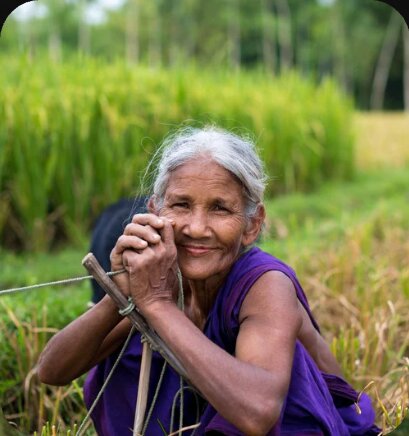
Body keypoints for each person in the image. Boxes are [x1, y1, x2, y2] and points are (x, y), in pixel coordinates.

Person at [37, 126, 380, 435]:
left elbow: (258, 413)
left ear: (252, 225)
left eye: (220, 209)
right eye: (181, 205)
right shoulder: (161, 279)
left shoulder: (264, 284)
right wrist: (121, 296)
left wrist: (156, 305)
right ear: (156, 212)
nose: (197, 228)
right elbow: (52, 371)